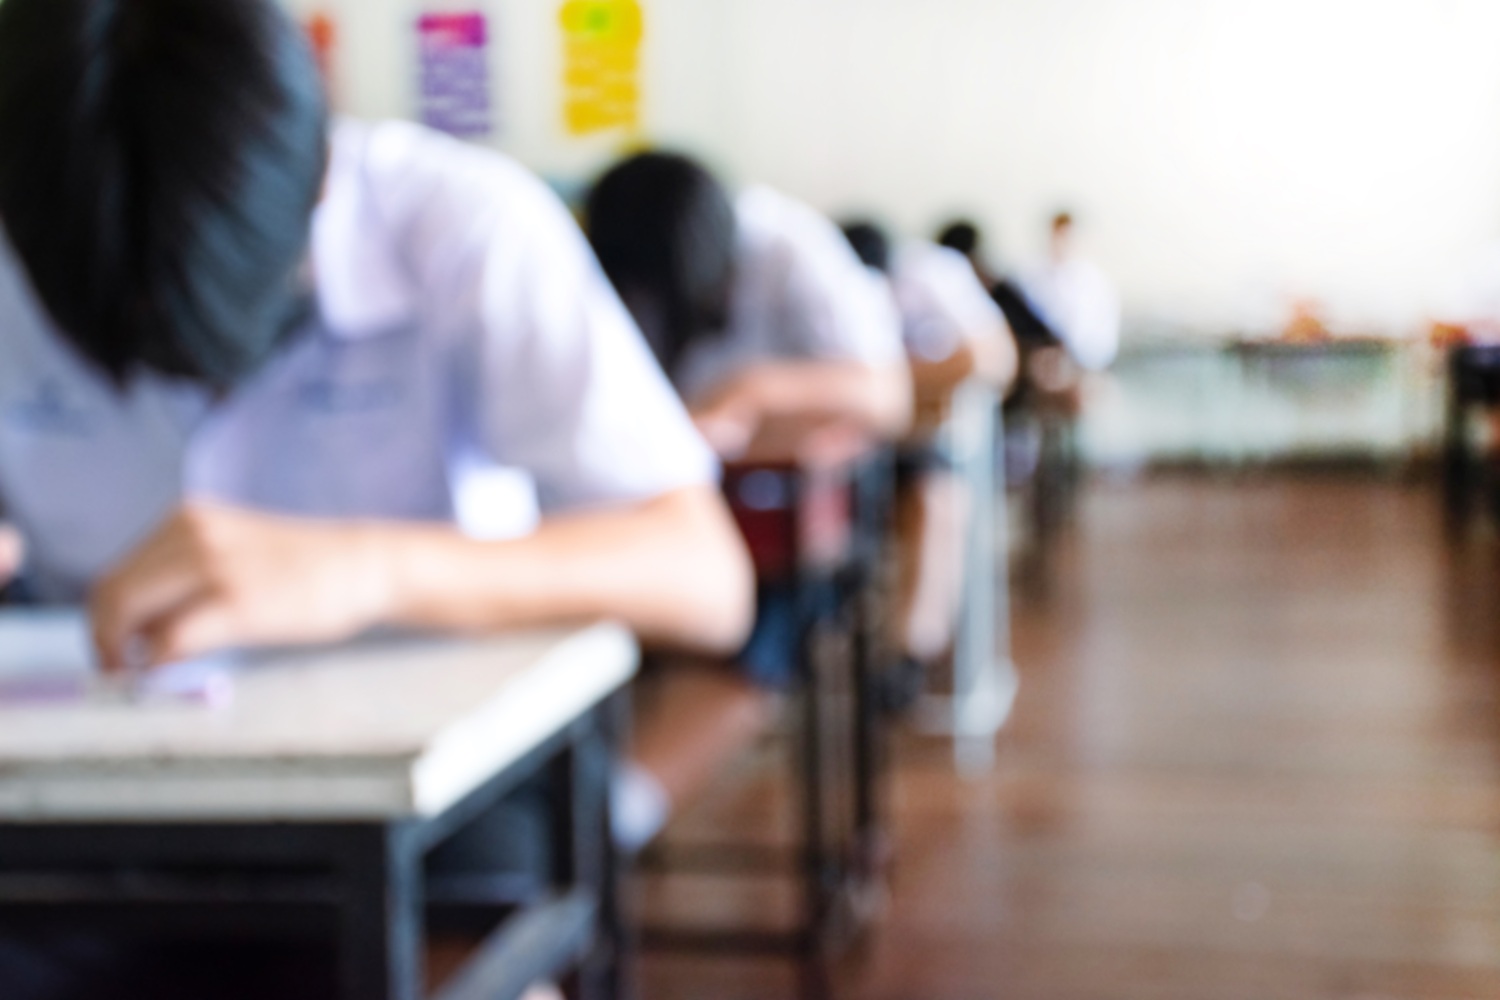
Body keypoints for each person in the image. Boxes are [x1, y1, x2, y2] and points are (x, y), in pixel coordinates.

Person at [0, 0, 753, 994]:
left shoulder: (461, 225)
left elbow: (706, 576)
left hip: (437, 812)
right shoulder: (29, 234)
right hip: (92, 800)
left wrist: (366, 569)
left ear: (315, 170)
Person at [586, 153, 910, 850]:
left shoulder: (792, 252)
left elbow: (889, 399)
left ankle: (618, 815)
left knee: (760, 628)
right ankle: (574, 808)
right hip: (680, 513)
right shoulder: (618, 267)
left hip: (793, 522)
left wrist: (755, 390)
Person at [843, 219, 1016, 707]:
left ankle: (909, 655)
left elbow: (993, 359)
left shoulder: (930, 278)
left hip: (920, 443)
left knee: (937, 503)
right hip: (855, 446)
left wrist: (892, 383)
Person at [1018, 211, 1121, 372]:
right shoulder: (1031, 277)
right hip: (1042, 357)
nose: (1061, 242)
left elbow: (1102, 332)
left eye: (1066, 236)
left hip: (1085, 362)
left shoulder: (1094, 282)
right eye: (1058, 235)